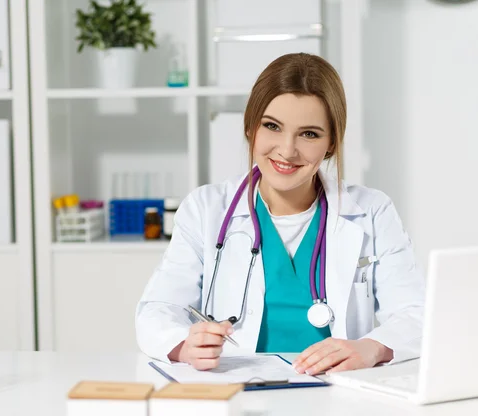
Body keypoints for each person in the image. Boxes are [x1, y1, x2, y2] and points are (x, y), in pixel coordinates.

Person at [135, 53, 425, 375]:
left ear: (331, 144)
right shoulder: (205, 209)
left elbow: (415, 313)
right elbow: (157, 310)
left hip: (336, 393)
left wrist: (370, 348)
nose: (287, 150)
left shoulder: (372, 211)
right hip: (238, 388)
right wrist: (185, 345)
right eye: (272, 127)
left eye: (309, 134)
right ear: (250, 128)